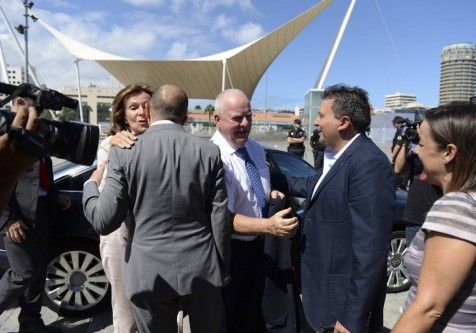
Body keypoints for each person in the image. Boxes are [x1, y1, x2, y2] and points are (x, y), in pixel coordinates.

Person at [83, 84, 230, 333]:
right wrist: (223, 267)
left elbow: (103, 220)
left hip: (147, 273)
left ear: (150, 111)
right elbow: (219, 218)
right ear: (184, 116)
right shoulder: (209, 151)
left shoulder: (124, 152)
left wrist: (90, 185)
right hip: (203, 267)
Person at [273, 84, 394, 333]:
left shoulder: (368, 164)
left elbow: (370, 250)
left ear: (343, 122)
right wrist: (268, 176)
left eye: (321, 115)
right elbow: (311, 185)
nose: (316, 122)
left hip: (341, 308)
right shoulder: (339, 156)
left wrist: (352, 317)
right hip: (322, 297)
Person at [393, 102, 476, 332]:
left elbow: (428, 308)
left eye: (421, 143)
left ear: (449, 152)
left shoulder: (457, 207)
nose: (415, 150)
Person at [211, 89, 299, 333]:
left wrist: (270, 194)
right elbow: (222, 219)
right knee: (233, 317)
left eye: (249, 116)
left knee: (257, 314)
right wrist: (269, 226)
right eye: (237, 118)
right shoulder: (212, 157)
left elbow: (254, 188)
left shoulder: (257, 149)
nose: (246, 124)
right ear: (217, 119)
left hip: (262, 248)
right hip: (232, 253)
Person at [0, 98, 71, 333]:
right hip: (15, 216)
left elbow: (44, 175)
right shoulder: (5, 138)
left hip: (40, 211)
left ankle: (31, 322)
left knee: (38, 271)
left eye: (34, 109)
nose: (30, 113)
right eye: (22, 107)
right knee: (23, 272)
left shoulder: (36, 136)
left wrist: (55, 195)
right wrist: (7, 220)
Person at [97, 84, 152, 333]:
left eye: (147, 106)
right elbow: (107, 195)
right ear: (123, 114)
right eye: (134, 107)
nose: (142, 112)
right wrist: (117, 150)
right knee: (124, 310)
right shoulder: (111, 145)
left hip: (156, 237)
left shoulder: (167, 141)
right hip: (120, 235)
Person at [0, 100, 39, 213]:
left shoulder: (36, 141)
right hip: (11, 222)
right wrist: (8, 220)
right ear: (19, 103)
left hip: (38, 217)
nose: (36, 118)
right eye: (33, 111)